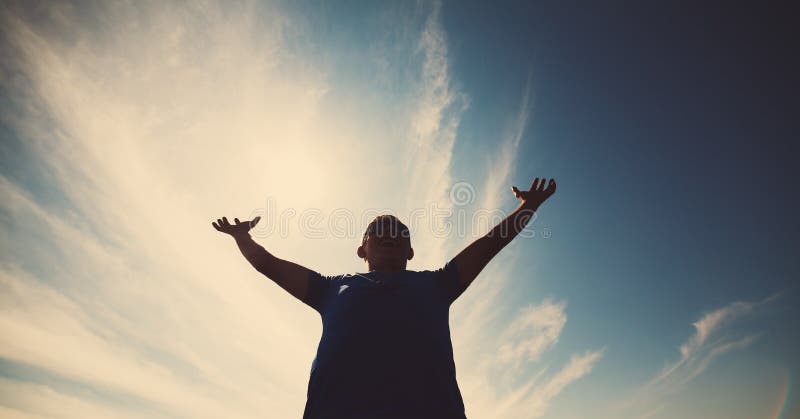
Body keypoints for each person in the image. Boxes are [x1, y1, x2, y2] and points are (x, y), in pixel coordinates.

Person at [213, 178, 557, 418]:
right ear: (362, 249)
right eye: (379, 230)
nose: (389, 233)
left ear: (410, 250)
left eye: (399, 232)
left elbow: (491, 243)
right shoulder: (330, 288)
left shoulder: (438, 284)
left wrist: (530, 206)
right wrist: (241, 236)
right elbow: (266, 264)